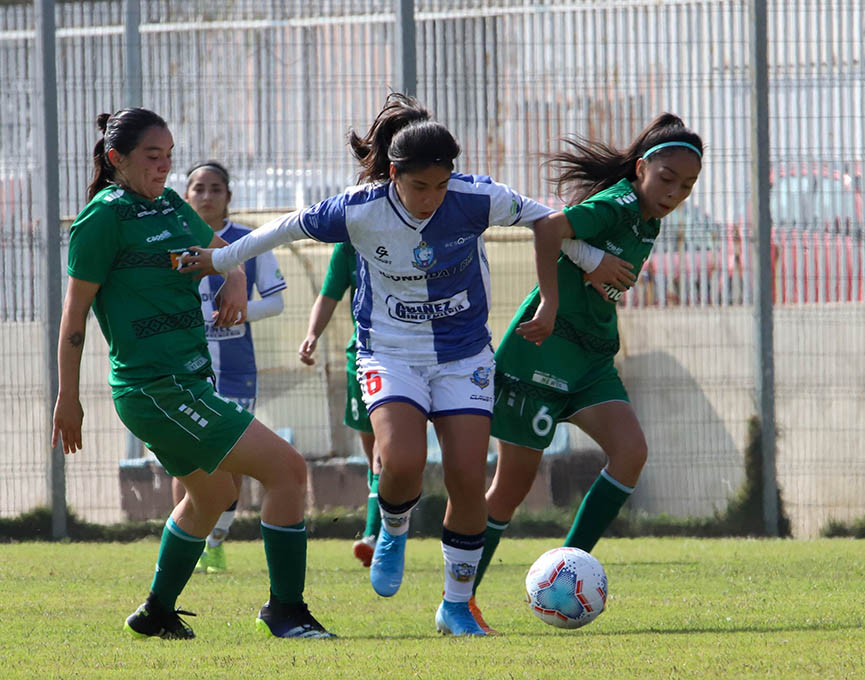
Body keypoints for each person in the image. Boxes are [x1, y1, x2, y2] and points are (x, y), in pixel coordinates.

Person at [179, 93, 608, 636]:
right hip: (390, 352)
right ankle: (395, 527)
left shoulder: (478, 197)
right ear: (393, 175)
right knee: (402, 462)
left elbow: (548, 220)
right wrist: (219, 259)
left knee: (468, 478)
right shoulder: (360, 206)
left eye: (440, 185)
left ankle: (455, 606)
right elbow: (285, 228)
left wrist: (592, 261)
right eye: (417, 186)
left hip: (464, 355)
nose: (430, 198)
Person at [51, 108, 334, 640]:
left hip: (187, 381)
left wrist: (232, 272)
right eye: (151, 158)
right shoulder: (102, 218)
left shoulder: (171, 205)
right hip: (154, 388)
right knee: (288, 470)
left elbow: (215, 250)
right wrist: (68, 397)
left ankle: (157, 611)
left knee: (211, 496)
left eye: (168, 157)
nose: (163, 168)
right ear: (117, 160)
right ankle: (287, 611)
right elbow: (73, 316)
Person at [470, 113, 704, 629]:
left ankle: (564, 570)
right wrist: (551, 303)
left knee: (630, 452)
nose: (675, 192)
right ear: (642, 169)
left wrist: (597, 270)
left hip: (592, 356)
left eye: (687, 185)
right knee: (511, 488)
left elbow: (595, 265)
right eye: (667, 179)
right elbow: (549, 228)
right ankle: (459, 599)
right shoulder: (620, 202)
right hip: (544, 349)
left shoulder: (650, 217)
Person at [169, 160, 288, 575]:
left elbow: (275, 301)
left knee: (229, 460)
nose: (206, 196)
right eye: (198, 188)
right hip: (184, 369)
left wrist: (238, 312)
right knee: (186, 459)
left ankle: (214, 544)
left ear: (228, 197)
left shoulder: (250, 243)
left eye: (215, 188)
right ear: (186, 196)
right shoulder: (167, 239)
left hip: (236, 369)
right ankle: (187, 538)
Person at [298, 241, 380, 568]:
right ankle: (385, 529)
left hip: (406, 359)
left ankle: (377, 534)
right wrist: (312, 334)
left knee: (389, 453)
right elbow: (329, 294)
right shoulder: (349, 246)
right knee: (375, 453)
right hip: (361, 359)